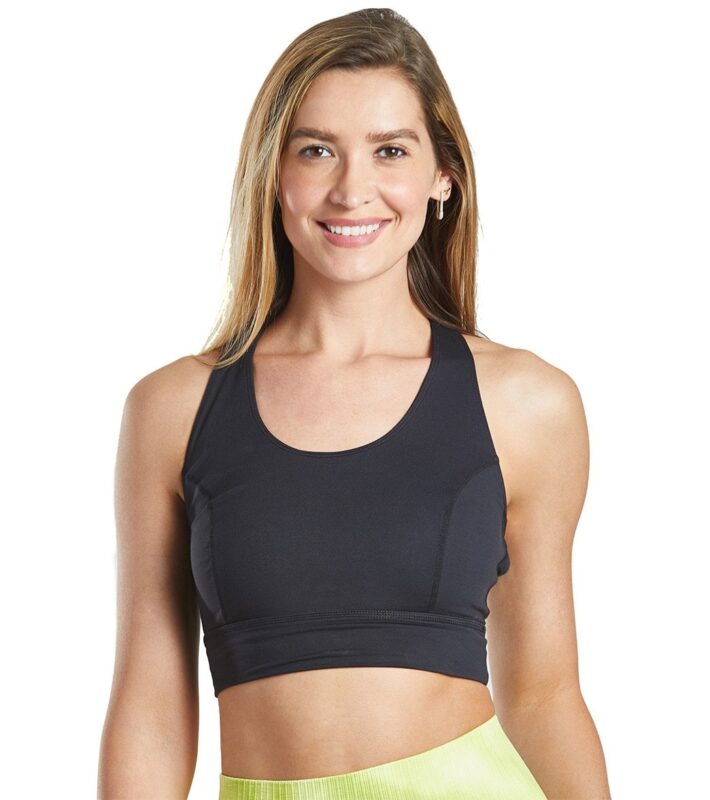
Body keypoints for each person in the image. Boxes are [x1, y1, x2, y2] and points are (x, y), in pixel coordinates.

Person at [98, 8, 611, 799]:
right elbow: (151, 710)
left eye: (390, 151)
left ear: (443, 176)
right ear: (274, 173)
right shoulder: (173, 409)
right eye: (316, 150)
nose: (352, 189)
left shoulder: (525, 403)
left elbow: (544, 696)